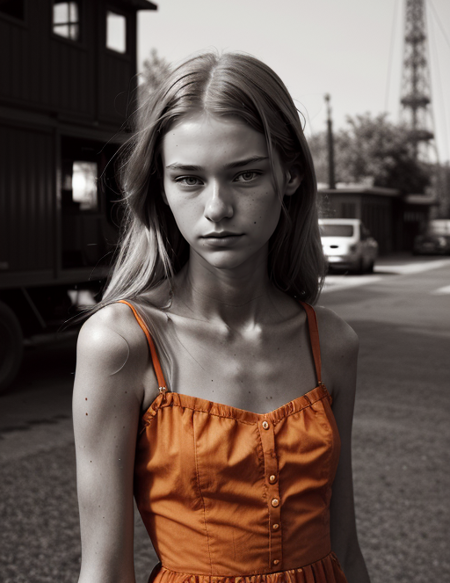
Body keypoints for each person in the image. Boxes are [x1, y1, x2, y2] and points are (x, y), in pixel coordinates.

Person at [73, 51, 371, 583]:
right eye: (188, 179)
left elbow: (344, 545)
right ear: (160, 189)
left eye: (246, 174)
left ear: (291, 175)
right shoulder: (120, 344)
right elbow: (103, 570)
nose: (217, 207)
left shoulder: (332, 341)